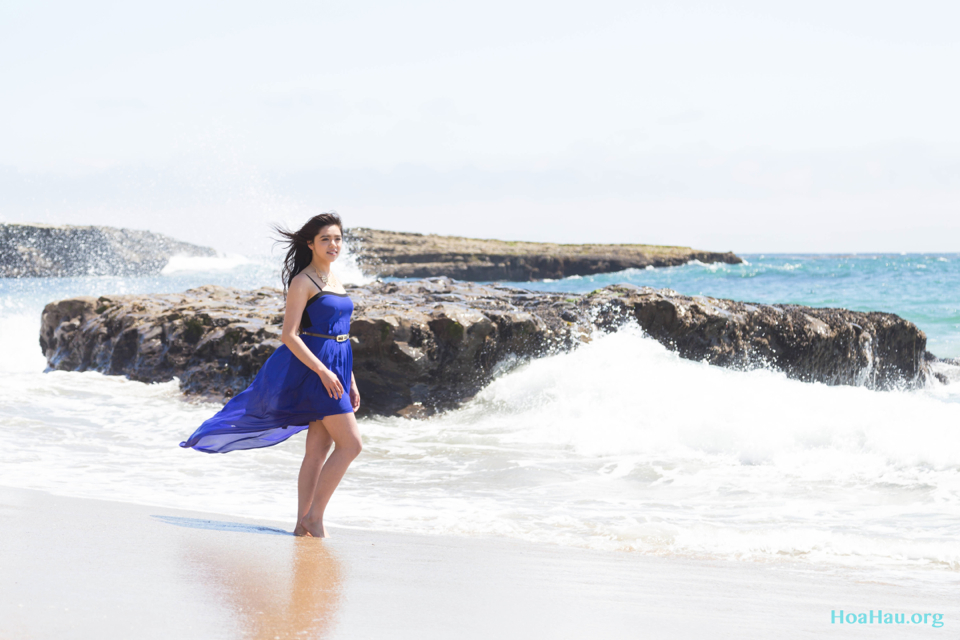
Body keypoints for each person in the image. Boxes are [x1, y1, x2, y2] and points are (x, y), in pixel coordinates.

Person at [179, 213, 362, 538]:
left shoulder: (334, 279)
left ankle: (301, 524)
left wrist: (350, 378)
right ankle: (315, 518)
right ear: (310, 244)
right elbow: (289, 335)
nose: (333, 245)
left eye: (337, 239)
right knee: (351, 445)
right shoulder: (303, 281)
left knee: (318, 451)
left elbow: (340, 332)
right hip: (316, 371)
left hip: (337, 368)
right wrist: (322, 371)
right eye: (325, 239)